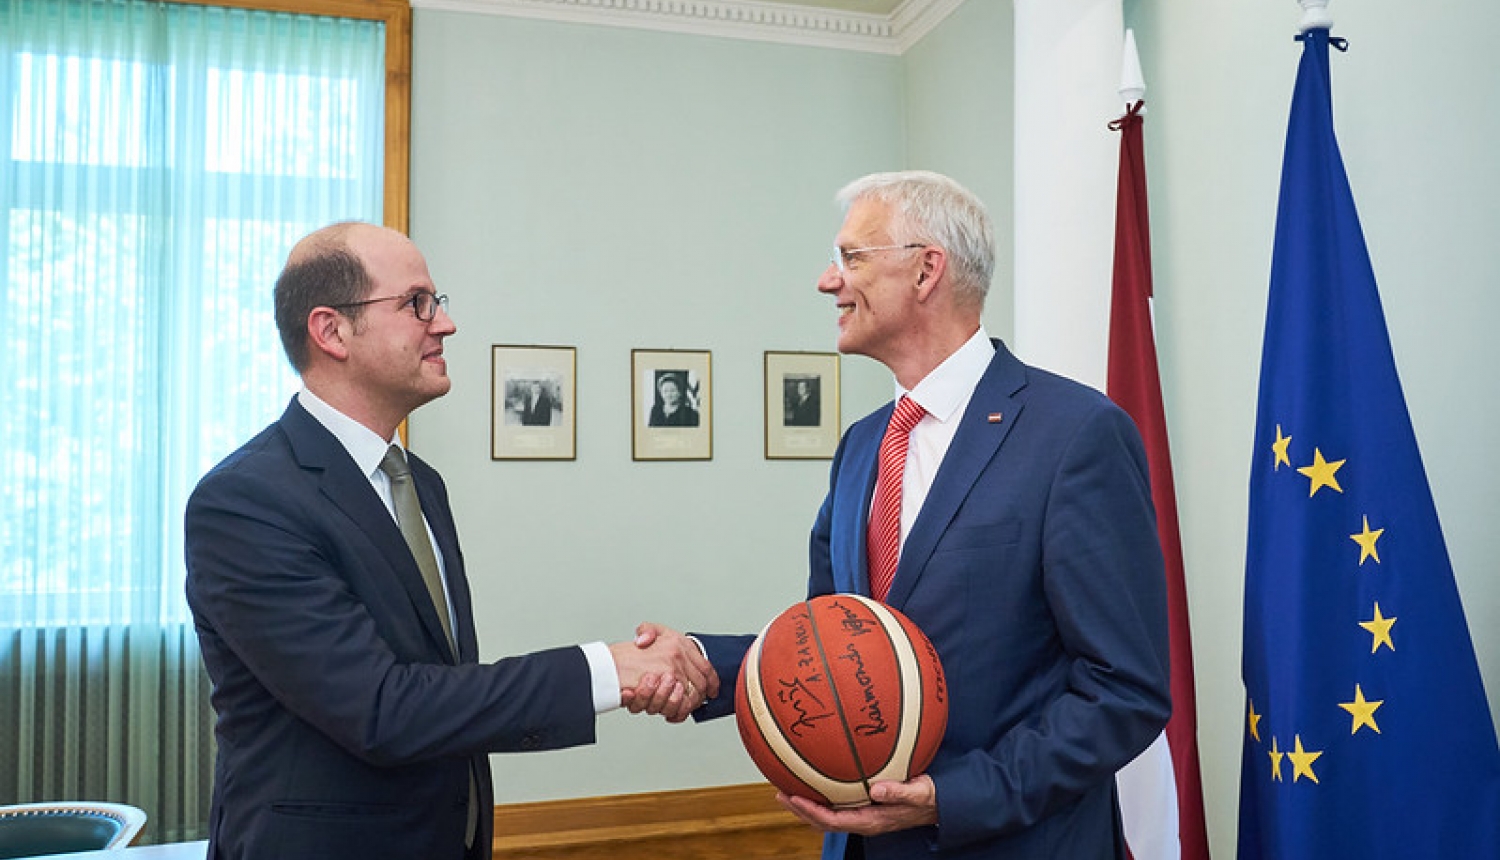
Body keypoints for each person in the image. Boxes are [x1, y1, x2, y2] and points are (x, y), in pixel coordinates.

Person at [655, 171, 1170, 859]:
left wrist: (954, 797)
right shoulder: (862, 446)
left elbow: (1124, 690)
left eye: (852, 258)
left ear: (927, 270)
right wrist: (706, 663)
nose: (827, 281)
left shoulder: (1075, 434)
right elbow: (835, 644)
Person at [184, 221, 715, 860]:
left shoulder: (419, 484)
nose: (444, 324)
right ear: (331, 331)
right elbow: (382, 709)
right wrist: (608, 668)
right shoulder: (246, 501)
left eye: (436, 301)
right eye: (416, 304)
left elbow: (446, 691)